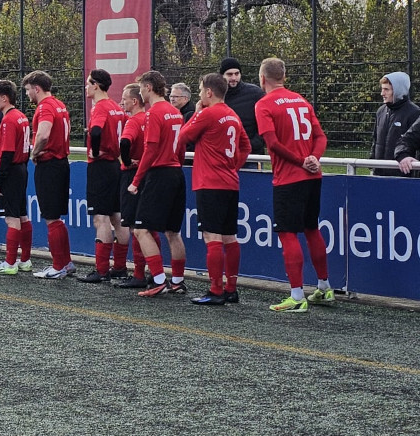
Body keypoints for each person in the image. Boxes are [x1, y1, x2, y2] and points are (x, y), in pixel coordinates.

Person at [256, 58, 332, 312]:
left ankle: (297, 296)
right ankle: (324, 287)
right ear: (284, 77)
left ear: (262, 78)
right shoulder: (301, 100)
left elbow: (273, 144)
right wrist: (314, 159)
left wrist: (301, 161)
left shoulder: (264, 104)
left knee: (288, 233)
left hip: (289, 177)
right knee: (311, 228)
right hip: (312, 176)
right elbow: (320, 136)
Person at [179, 73, 250, 305]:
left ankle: (216, 290)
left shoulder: (208, 113)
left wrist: (197, 112)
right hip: (230, 182)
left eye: (201, 90)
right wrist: (232, 166)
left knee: (212, 236)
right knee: (230, 236)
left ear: (209, 92)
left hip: (210, 182)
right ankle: (231, 288)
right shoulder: (232, 114)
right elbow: (246, 146)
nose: (200, 95)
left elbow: (183, 136)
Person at [127, 71, 188, 297]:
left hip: (160, 174)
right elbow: (180, 148)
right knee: (173, 232)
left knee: (141, 229)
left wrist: (136, 181)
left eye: (141, 88)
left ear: (149, 87)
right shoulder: (175, 112)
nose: (140, 92)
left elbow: (150, 150)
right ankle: (178, 281)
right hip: (176, 173)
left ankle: (159, 280)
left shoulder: (154, 113)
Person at [24, 71, 75, 280]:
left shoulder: (45, 107)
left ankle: (58, 265)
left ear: (37, 88)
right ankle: (66, 262)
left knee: (51, 218)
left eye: (28, 90)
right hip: (61, 163)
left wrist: (34, 153)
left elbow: (44, 134)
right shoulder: (59, 104)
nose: (27, 94)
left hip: (50, 164)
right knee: (56, 218)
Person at [80, 69, 128, 283]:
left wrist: (96, 150)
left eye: (88, 83)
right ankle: (119, 267)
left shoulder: (100, 107)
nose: (86, 87)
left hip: (101, 166)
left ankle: (101, 270)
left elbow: (97, 131)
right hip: (115, 165)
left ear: (96, 85)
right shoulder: (117, 107)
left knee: (101, 218)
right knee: (117, 217)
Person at [0, 80, 33, 275]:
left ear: (5, 98)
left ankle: (10, 263)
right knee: (22, 215)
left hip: (12, 171)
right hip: (21, 169)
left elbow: (7, 152)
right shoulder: (21, 117)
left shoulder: (9, 120)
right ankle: (25, 260)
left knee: (12, 218)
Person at [113, 84, 152, 288]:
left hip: (133, 175)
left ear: (134, 101)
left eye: (125, 98)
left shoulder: (133, 121)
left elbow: (124, 143)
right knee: (149, 226)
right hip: (151, 174)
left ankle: (138, 274)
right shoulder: (150, 118)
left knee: (135, 226)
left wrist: (127, 162)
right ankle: (155, 272)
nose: (122, 101)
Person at [371, 72, 419, 176]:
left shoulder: (414, 112)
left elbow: (413, 142)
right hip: (378, 173)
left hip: (402, 175)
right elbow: (375, 140)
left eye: (386, 89)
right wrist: (371, 163)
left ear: (398, 91)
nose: (382, 93)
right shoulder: (381, 111)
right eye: (382, 89)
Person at [219, 58, 266, 157]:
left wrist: (252, 144)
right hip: (224, 154)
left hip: (252, 155)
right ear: (222, 75)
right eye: (229, 74)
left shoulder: (255, 94)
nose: (234, 78)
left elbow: (266, 122)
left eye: (237, 74)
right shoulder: (216, 95)